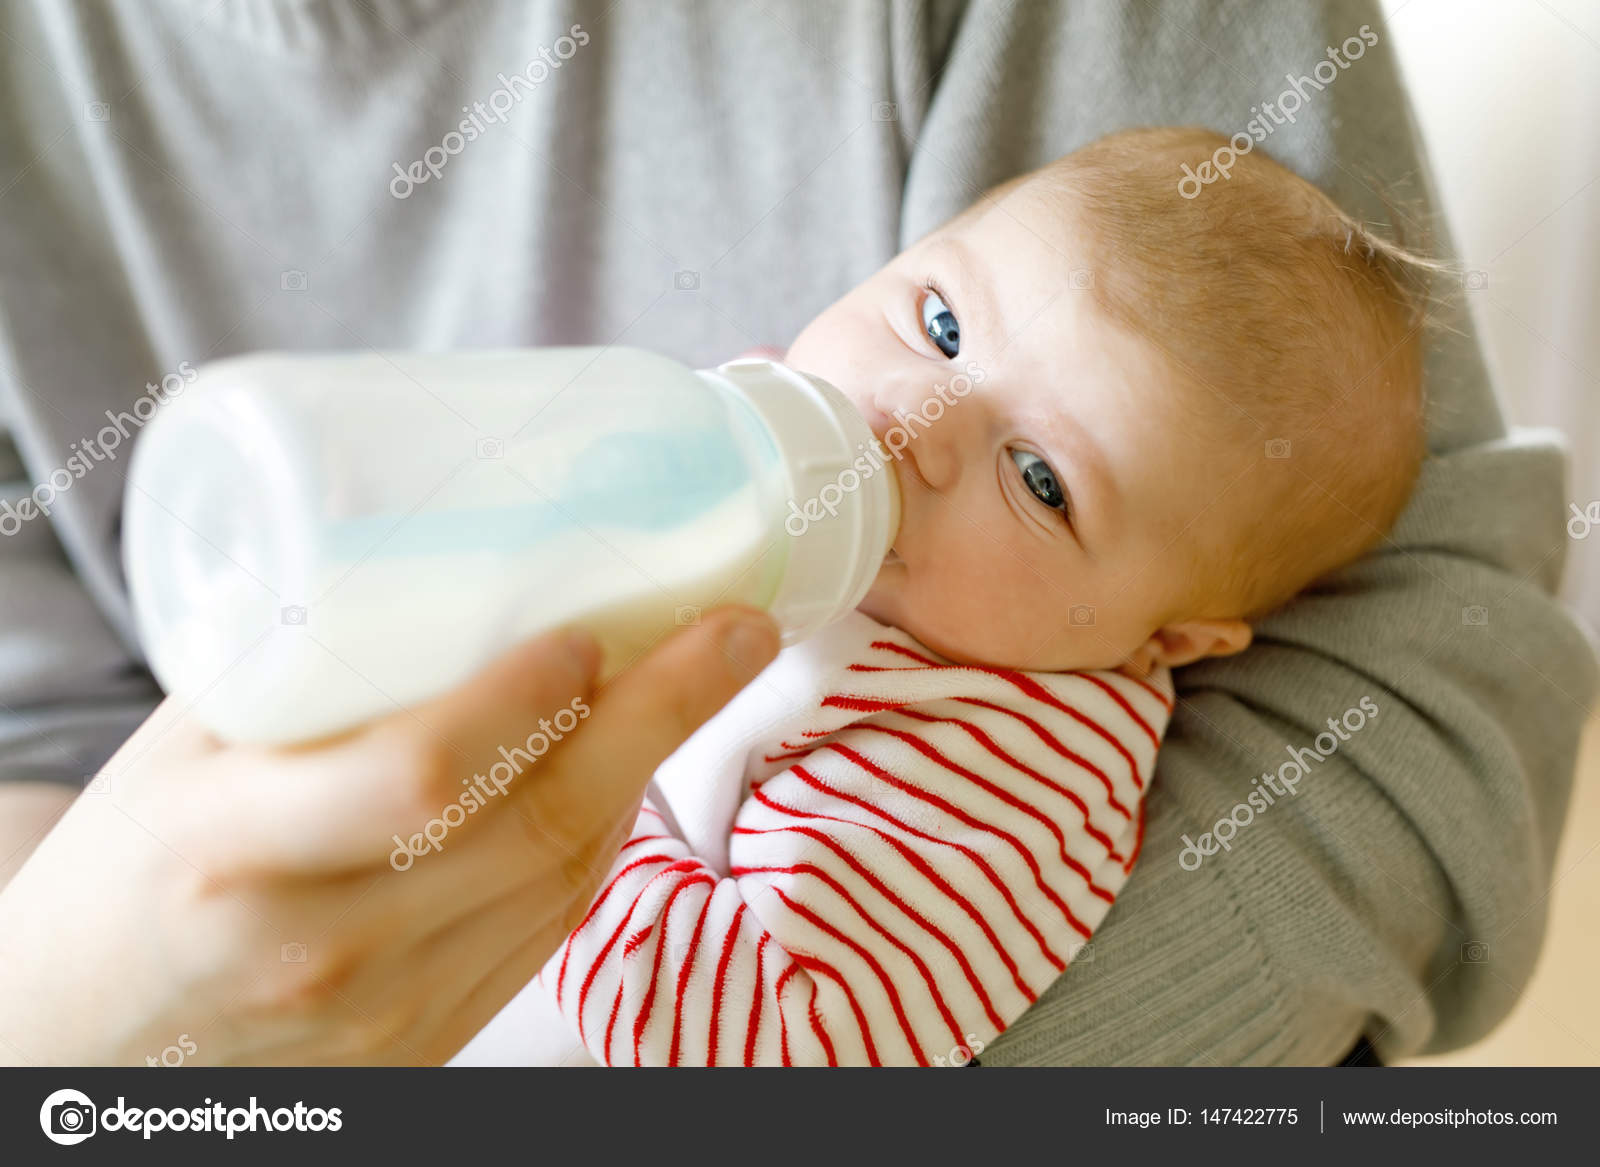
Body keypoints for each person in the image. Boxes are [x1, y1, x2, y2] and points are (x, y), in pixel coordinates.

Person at [0, 0, 1592, 1065]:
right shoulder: (711, 458)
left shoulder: (996, 760)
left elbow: (796, 1032)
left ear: (1167, 637)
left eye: (1043, 483)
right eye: (940, 319)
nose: (914, 422)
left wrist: (554, 861)